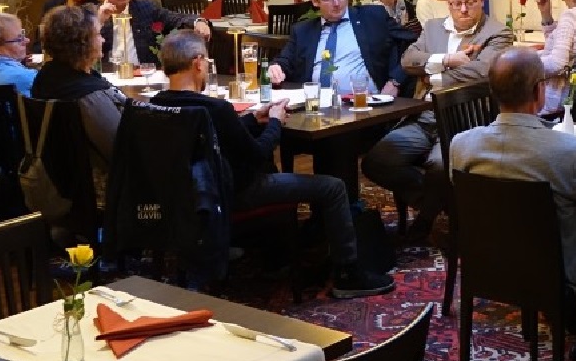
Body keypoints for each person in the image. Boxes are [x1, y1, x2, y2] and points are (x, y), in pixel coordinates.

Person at [152, 31, 396, 298]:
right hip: (233, 194)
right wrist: (277, 120)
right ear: (198, 63)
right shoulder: (214, 108)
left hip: (189, 197)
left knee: (272, 170)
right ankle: (348, 275)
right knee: (333, 187)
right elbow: (257, 153)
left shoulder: (155, 106)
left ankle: (275, 254)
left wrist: (251, 119)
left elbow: (220, 135)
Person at [451, 47, 576, 353]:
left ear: (492, 92)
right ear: (539, 91)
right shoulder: (569, 152)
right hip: (567, 283)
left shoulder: (461, 146)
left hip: (494, 269)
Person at [362, 0, 514, 239]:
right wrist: (447, 59)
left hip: (465, 120)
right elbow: (408, 60)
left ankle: (425, 218)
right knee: (376, 161)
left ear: (482, 0)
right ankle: (436, 203)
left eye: (470, 2)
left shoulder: (497, 33)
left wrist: (430, 74)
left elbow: (482, 73)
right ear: (448, 2)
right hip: (425, 117)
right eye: (457, 3)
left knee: (439, 165)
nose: (464, 9)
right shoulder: (433, 28)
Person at [266, 0, 414, 175]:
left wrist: (396, 80)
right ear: (315, 1)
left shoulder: (372, 17)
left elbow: (412, 44)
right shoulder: (303, 30)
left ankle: (340, 202)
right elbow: (284, 60)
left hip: (364, 108)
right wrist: (276, 67)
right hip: (315, 110)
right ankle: (318, 199)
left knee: (337, 134)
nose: (337, 3)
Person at [32, 4, 127, 209]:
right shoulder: (87, 95)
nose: (102, 40)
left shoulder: (45, 77)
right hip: (98, 191)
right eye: (98, 35)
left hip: (60, 179)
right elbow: (122, 149)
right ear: (82, 44)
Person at [95, 0, 211, 66]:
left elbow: (177, 18)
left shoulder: (146, 8)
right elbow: (82, 49)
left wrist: (199, 21)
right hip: (108, 78)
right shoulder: (93, 14)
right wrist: (99, 21)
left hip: (143, 75)